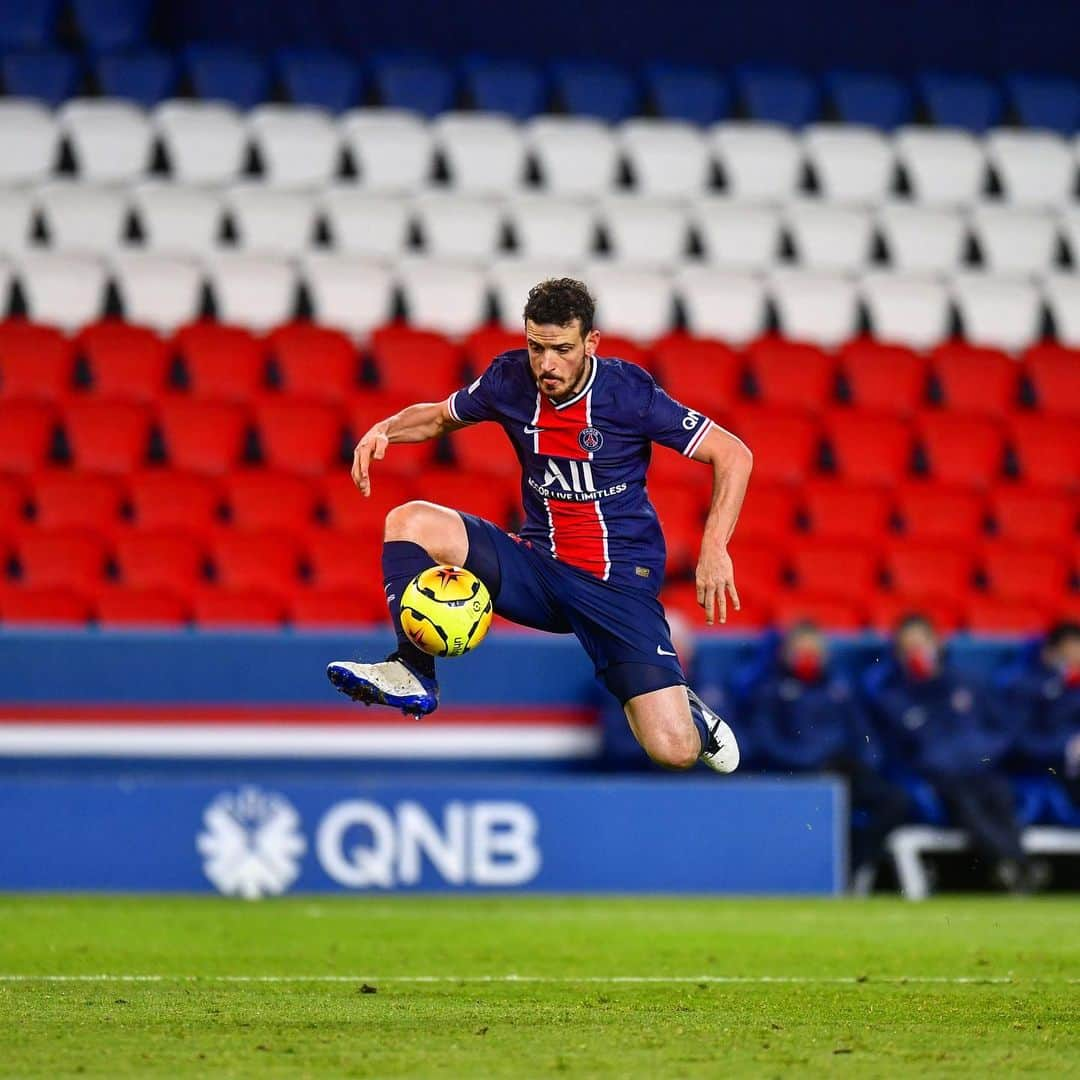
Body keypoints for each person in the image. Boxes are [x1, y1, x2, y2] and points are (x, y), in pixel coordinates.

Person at [327, 279, 753, 773]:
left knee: (673, 750)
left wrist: (715, 546)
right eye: (536, 347)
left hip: (616, 588)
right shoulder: (509, 380)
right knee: (410, 520)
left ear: (591, 342)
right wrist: (386, 429)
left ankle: (689, 713)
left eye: (562, 349)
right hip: (539, 567)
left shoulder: (627, 393)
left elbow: (733, 454)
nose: (546, 363)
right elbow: (441, 418)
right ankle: (412, 669)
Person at [863, 614, 1034, 891]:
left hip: (981, 769)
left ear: (937, 644)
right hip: (937, 776)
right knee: (965, 805)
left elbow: (999, 727)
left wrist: (983, 753)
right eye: (910, 647)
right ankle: (1012, 863)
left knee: (1002, 798)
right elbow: (899, 745)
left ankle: (1013, 864)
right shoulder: (891, 693)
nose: (918, 652)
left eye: (922, 643)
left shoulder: (966, 682)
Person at [744, 621, 909, 887]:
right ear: (786, 653)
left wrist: (865, 762)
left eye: (814, 650)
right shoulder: (770, 690)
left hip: (844, 770)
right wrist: (808, 762)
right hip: (799, 774)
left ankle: (855, 867)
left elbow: (864, 734)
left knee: (894, 801)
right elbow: (766, 741)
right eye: (802, 650)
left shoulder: (840, 688)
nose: (809, 656)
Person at [996, 621, 1080, 782]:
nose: (1073, 667)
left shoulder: (1074, 688)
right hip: (1047, 765)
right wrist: (1066, 747)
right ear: (1049, 652)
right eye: (1068, 659)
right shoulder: (1021, 687)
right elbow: (1018, 739)